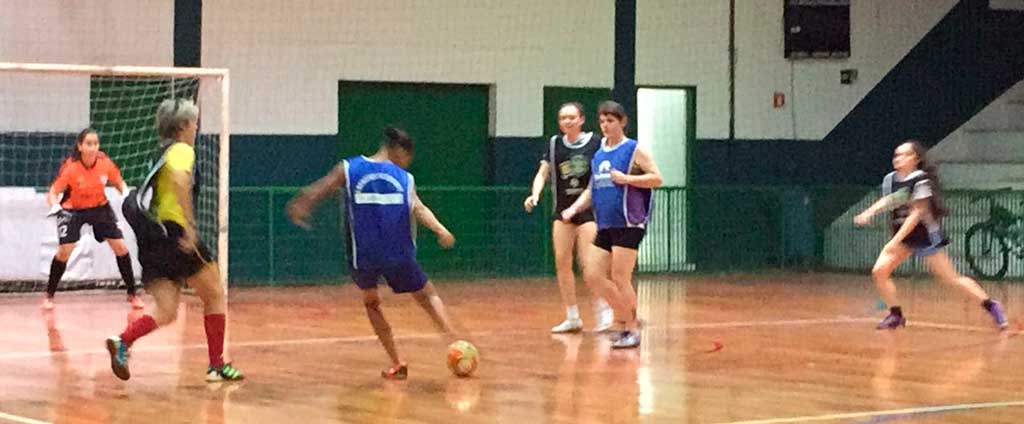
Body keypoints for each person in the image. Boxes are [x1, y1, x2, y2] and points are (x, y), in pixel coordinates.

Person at [287, 126, 464, 380]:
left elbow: (321, 188)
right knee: (427, 295)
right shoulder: (404, 178)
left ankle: (396, 362)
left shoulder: (349, 168)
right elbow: (419, 208)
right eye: (407, 157)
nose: (406, 162)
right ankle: (455, 343)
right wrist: (441, 230)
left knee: (372, 303)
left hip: (364, 254)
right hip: (398, 253)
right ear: (398, 150)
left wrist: (302, 204)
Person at [105, 98, 244, 382]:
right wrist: (190, 227)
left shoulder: (159, 154)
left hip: (150, 243)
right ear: (182, 126)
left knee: (167, 310)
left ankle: (123, 341)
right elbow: (181, 180)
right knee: (215, 295)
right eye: (194, 123)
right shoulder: (182, 150)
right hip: (175, 233)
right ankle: (216, 365)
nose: (196, 128)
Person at [854, 139, 1007, 330]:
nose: (898, 158)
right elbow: (891, 200)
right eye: (896, 155)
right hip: (904, 236)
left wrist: (894, 241)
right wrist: (869, 212)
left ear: (915, 159)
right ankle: (896, 314)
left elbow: (916, 214)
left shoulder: (921, 180)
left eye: (904, 154)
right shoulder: (890, 179)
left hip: (925, 236)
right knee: (879, 271)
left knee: (951, 278)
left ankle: (991, 305)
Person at [562, 101, 662, 349]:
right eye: (603, 121)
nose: (606, 126)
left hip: (628, 221)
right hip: (605, 222)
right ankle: (627, 317)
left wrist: (627, 179)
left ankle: (631, 330)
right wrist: (574, 208)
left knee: (620, 276)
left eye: (611, 121)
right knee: (593, 274)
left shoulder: (633, 149)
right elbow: (592, 188)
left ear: (622, 122)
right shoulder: (599, 154)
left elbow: (657, 178)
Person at [524, 102, 612, 333]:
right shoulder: (554, 144)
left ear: (582, 119)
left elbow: (599, 177)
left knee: (589, 265)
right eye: (563, 118)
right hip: (562, 212)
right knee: (562, 262)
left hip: (588, 211)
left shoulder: (595, 143)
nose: (567, 121)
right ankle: (572, 316)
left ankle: (604, 310)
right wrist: (535, 194)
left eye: (572, 117)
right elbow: (543, 172)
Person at [44, 128, 143, 310]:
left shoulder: (105, 163)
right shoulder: (70, 167)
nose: (93, 148)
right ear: (80, 146)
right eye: (89, 144)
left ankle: (132, 294)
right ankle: (49, 295)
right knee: (65, 250)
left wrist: (127, 195)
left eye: (96, 144)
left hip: (99, 208)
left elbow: (119, 181)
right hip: (73, 210)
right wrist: (54, 205)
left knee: (120, 246)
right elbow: (53, 192)